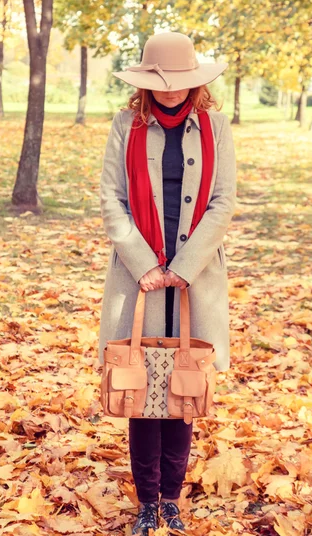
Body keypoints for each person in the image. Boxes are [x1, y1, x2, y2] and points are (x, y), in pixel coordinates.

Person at [98, 32, 237, 535]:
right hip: (140, 280)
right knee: (141, 391)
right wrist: (143, 263)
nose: (171, 91)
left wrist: (186, 265)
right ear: (145, 84)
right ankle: (146, 503)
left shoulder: (216, 127)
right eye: (162, 82)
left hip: (193, 280)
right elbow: (112, 200)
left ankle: (172, 500)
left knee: (184, 392)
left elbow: (223, 202)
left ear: (195, 83)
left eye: (180, 82)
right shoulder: (125, 125)